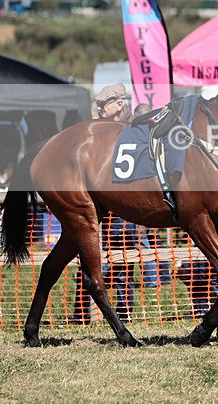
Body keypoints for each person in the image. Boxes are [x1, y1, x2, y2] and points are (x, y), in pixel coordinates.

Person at [70, 84, 153, 324]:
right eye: (98, 104)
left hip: (127, 209)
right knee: (88, 260)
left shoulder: (135, 127)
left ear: (119, 104)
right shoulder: (100, 129)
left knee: (123, 265)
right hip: (102, 207)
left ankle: (124, 313)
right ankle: (81, 313)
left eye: (103, 104)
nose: (99, 109)